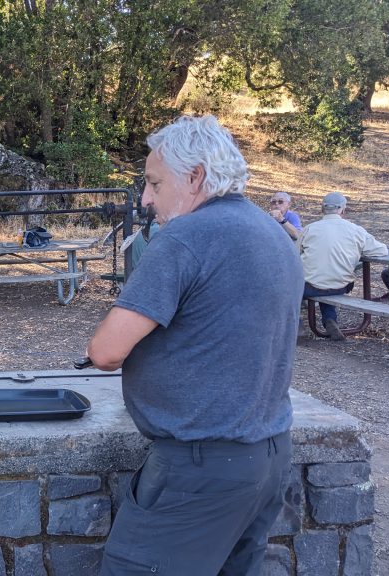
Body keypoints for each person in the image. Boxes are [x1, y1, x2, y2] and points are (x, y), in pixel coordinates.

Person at [85, 115, 301, 575]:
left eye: (154, 183)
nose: (145, 199)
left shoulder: (185, 236)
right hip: (269, 453)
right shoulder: (273, 234)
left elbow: (105, 351)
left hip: (199, 467)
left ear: (196, 176)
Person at [299, 191, 388, 340]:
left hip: (311, 287)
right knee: (327, 280)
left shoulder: (310, 229)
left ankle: (297, 327)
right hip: (341, 285)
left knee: (292, 288)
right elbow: (382, 249)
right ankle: (330, 320)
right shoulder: (356, 230)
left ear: (322, 208)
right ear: (343, 210)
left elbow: (293, 255)